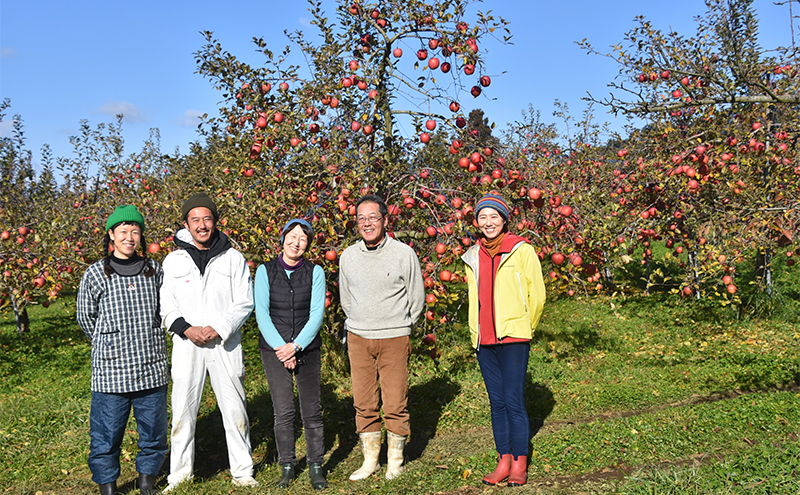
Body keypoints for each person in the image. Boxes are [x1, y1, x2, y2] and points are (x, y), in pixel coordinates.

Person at [160, 192, 258, 490]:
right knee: (183, 411)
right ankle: (179, 476)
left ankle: (243, 471)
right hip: (187, 345)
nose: (202, 225)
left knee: (234, 409)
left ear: (215, 221)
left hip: (224, 345)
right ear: (186, 225)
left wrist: (218, 327)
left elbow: (244, 301)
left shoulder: (233, 257)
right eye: (195, 220)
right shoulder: (173, 260)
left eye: (207, 218)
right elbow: (166, 303)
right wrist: (185, 329)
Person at [77, 205, 167, 495]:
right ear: (111, 235)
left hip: (150, 366)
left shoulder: (153, 271)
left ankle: (146, 482)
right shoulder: (94, 274)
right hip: (110, 372)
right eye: (124, 231)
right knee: (105, 435)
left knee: (153, 432)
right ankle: (108, 487)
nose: (130, 237)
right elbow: (85, 316)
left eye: (135, 231)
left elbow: (164, 310)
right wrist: (108, 342)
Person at [461, 191, 546, 487]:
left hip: (513, 337)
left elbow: (538, 296)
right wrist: (477, 331)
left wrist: (524, 327)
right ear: (477, 221)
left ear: (504, 219)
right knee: (496, 402)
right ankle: (503, 459)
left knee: (513, 400)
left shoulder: (521, 250)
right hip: (484, 340)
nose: (488, 222)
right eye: (482, 217)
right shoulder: (473, 255)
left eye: (494, 216)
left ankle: (520, 461)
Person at [339, 194, 425, 481]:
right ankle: (370, 460)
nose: (367, 223)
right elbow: (346, 299)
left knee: (394, 401)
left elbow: (416, 298)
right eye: (361, 218)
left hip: (394, 337)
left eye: (373, 217)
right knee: (363, 401)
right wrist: (361, 322)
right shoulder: (348, 256)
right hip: (359, 338)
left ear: (385, 220)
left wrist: (401, 325)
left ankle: (395, 461)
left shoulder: (403, 253)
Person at [254, 218, 328, 490]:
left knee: (311, 410)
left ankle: (316, 465)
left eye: (303, 239)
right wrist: (282, 349)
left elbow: (316, 314)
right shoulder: (264, 271)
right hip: (273, 349)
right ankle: (287, 465)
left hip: (307, 347)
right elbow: (261, 313)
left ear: (307, 245)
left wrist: (296, 346)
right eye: (292, 236)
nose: (296, 242)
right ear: (283, 237)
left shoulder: (315, 272)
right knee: (283, 410)